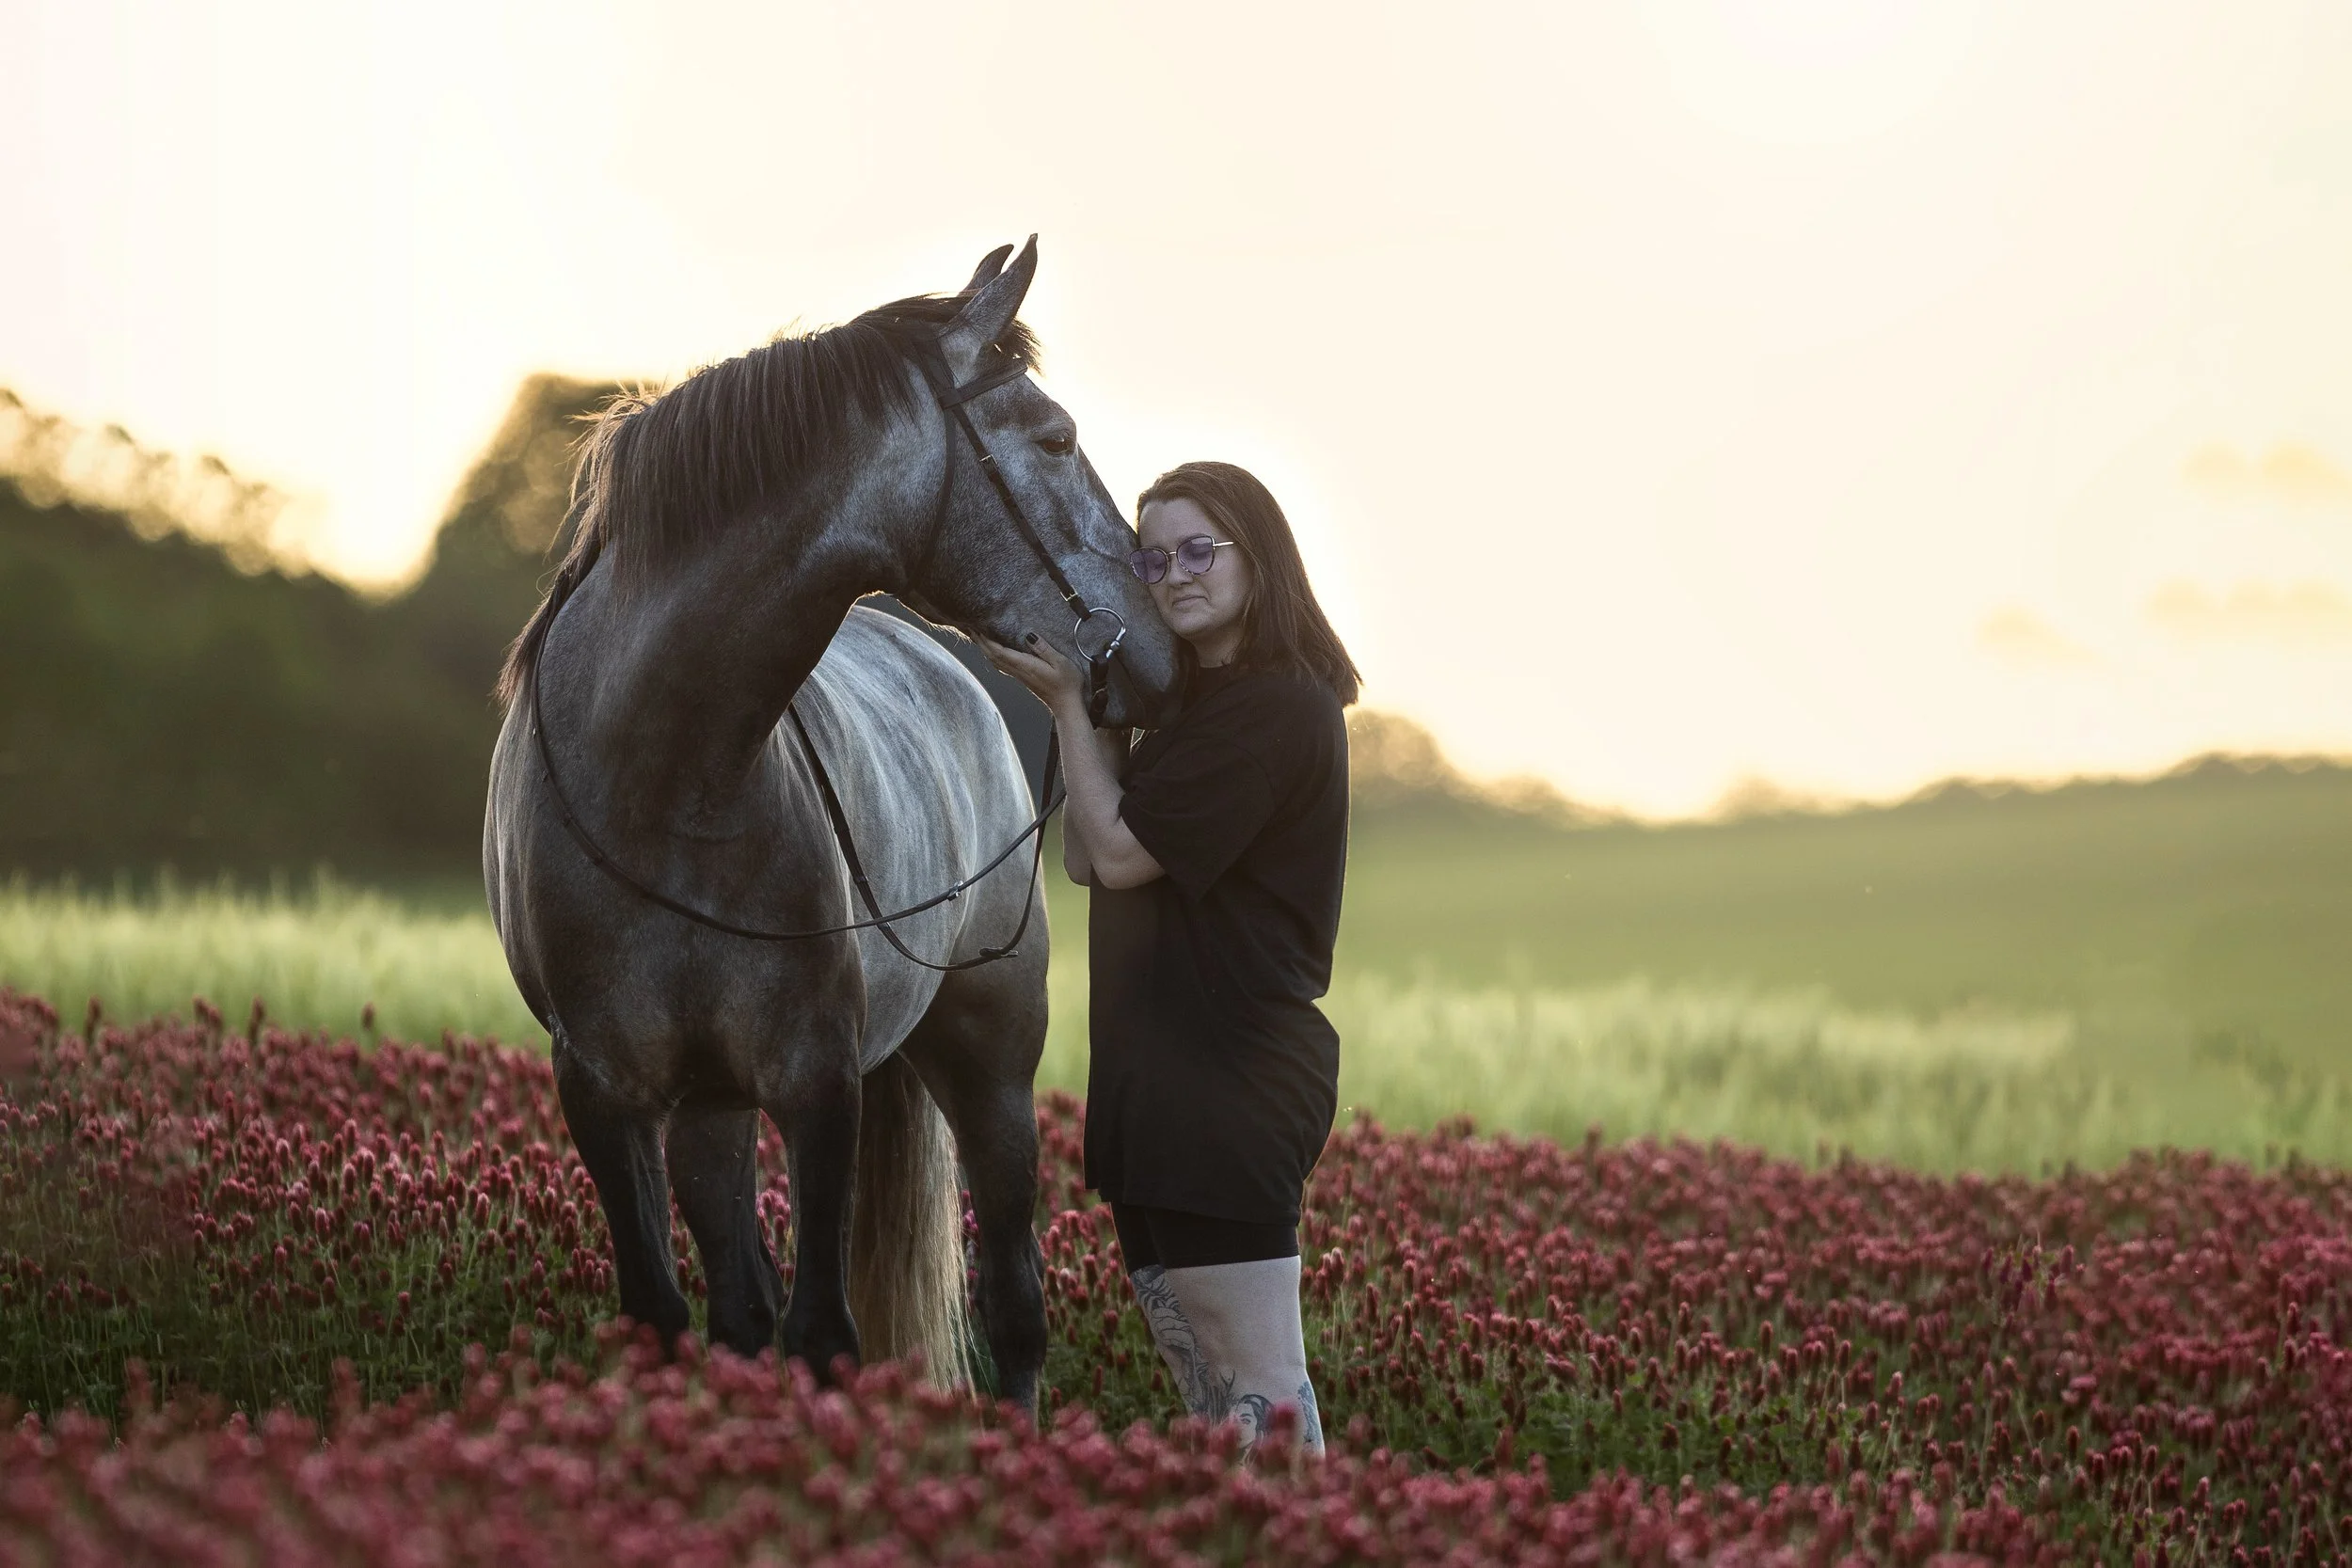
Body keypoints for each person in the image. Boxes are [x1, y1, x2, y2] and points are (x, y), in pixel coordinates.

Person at [981, 460, 1359, 1456]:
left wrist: (1068, 704)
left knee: (1261, 1397)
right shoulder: (1198, 707)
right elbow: (1082, 855)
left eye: (1200, 549)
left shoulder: (1276, 707)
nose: (1174, 573)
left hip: (1228, 1078)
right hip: (1160, 1084)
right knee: (1219, 1408)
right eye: (1153, 557)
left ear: (1258, 558)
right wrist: (1102, 714)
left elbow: (1115, 850)